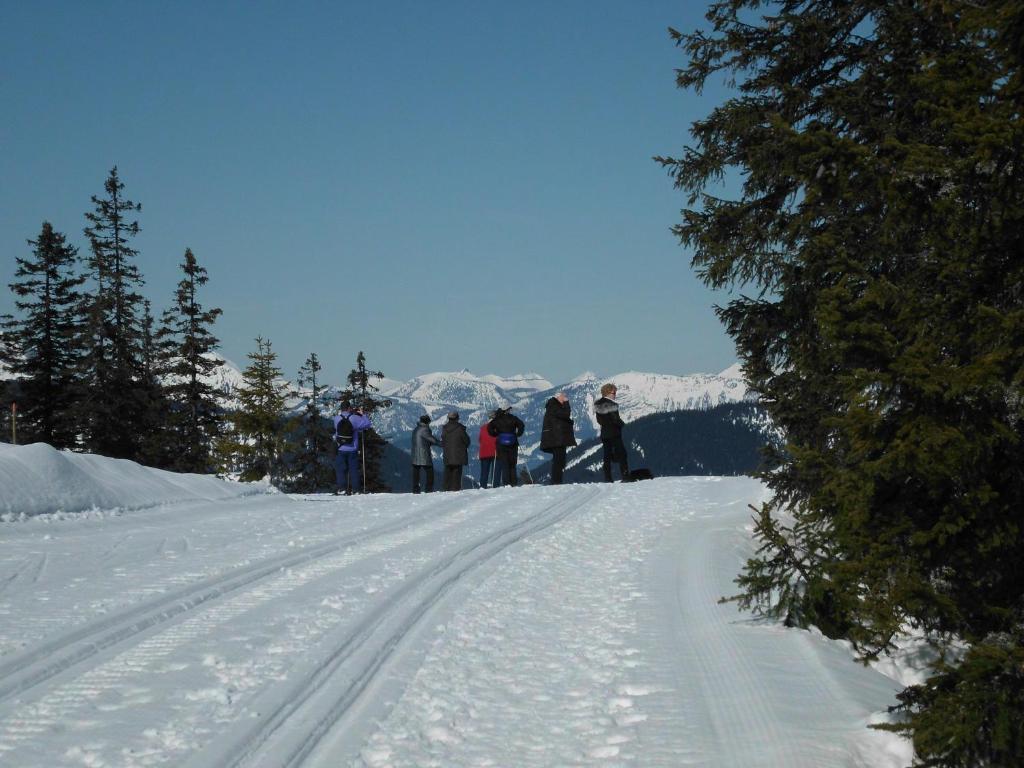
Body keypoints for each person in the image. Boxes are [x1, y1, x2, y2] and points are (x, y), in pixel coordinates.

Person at [334, 402, 372, 495]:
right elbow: (367, 424)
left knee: (341, 469)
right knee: (353, 469)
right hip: (352, 448)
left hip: (341, 448)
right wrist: (363, 414)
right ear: (349, 408)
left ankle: (342, 489)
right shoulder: (354, 418)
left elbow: (336, 430)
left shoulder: (336, 419)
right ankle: (356, 489)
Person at [594, 383, 629, 483]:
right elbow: (615, 419)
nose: (615, 394)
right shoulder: (611, 404)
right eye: (614, 392)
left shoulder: (598, 404)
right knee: (622, 454)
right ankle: (625, 476)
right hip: (614, 432)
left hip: (604, 433)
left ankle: (608, 478)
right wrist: (622, 424)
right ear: (608, 392)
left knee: (607, 456)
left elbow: (599, 421)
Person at [540, 392, 577, 485]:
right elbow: (566, 414)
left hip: (558, 438)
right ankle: (556, 481)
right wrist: (567, 403)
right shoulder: (554, 406)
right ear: (558, 397)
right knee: (558, 460)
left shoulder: (553, 406)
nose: (565, 398)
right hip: (556, 439)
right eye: (563, 397)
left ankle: (557, 480)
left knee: (560, 460)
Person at [487, 406, 525, 487]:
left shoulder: (497, 419)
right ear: (507, 410)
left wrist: (495, 434)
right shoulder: (513, 418)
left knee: (505, 464)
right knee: (512, 463)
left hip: (501, 444)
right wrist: (518, 434)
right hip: (513, 443)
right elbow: (521, 425)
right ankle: (514, 482)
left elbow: (489, 428)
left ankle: (506, 483)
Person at [440, 411, 471, 491]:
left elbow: (443, 441)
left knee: (447, 473)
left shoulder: (444, 429)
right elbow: (467, 441)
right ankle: (455, 489)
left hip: (447, 455)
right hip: (458, 455)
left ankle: (446, 489)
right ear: (457, 418)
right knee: (457, 474)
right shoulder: (460, 428)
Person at [410, 414, 440, 493]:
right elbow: (432, 440)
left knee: (416, 473)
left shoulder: (416, 429)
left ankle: (415, 490)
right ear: (427, 422)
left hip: (414, 455)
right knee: (430, 472)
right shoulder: (425, 429)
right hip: (423, 454)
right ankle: (428, 489)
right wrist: (442, 443)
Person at [478, 412, 497, 488]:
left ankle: (482, 486)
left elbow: (480, 439)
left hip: (484, 452)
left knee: (484, 472)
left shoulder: (483, 428)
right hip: (495, 451)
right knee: (495, 471)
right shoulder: (497, 427)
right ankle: (495, 486)